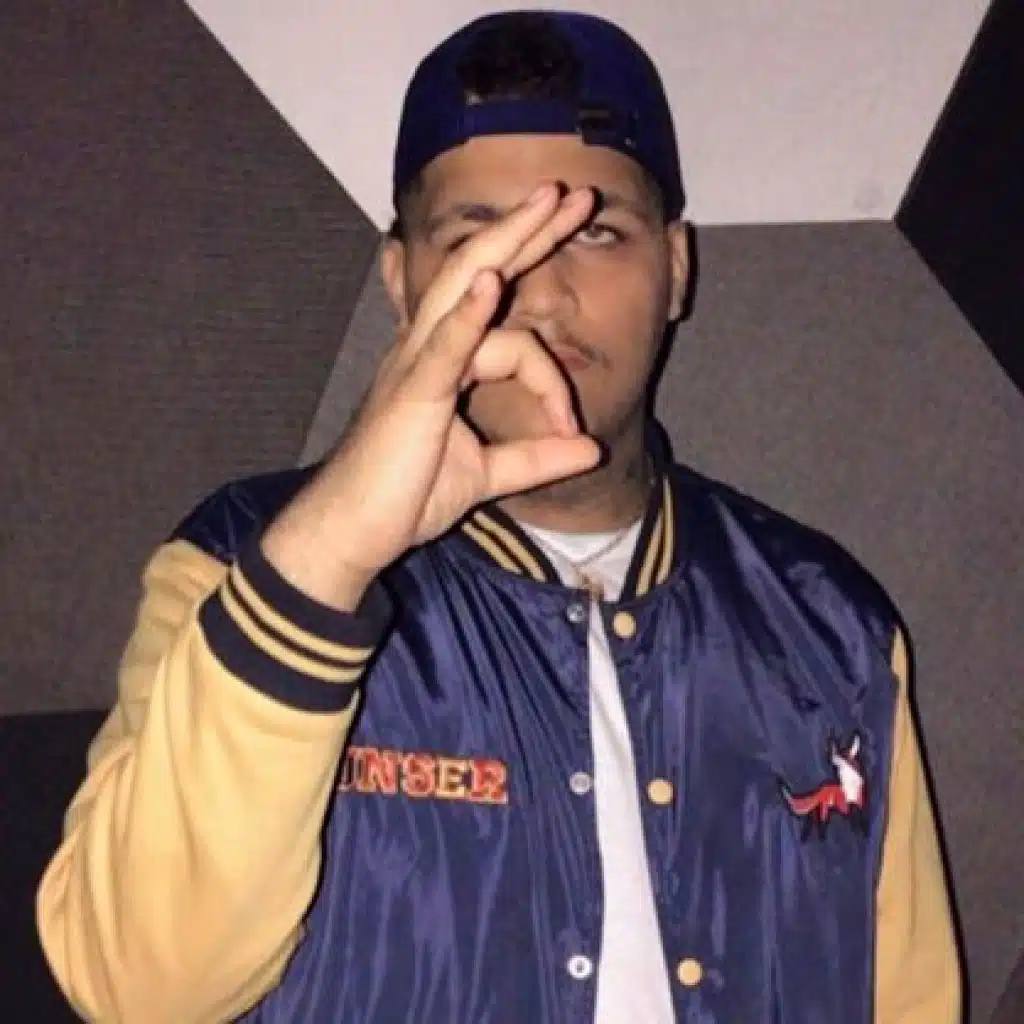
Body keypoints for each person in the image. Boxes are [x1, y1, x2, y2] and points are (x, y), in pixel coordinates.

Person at [36, 10, 961, 1023]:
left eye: (595, 233)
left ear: (676, 268)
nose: (540, 296)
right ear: (402, 283)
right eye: (479, 238)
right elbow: (137, 988)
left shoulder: (826, 623)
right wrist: (327, 557)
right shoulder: (250, 562)